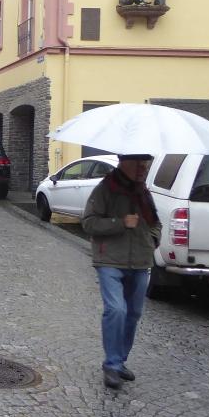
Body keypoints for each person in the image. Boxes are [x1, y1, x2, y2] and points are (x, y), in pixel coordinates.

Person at [81, 154, 162, 389]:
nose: (143, 168)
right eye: (139, 163)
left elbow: (155, 222)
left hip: (140, 260)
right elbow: (88, 222)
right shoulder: (105, 189)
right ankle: (112, 364)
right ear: (124, 163)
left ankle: (120, 360)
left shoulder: (142, 192)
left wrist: (153, 239)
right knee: (116, 309)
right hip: (109, 260)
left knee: (133, 313)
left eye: (146, 164)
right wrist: (120, 223)